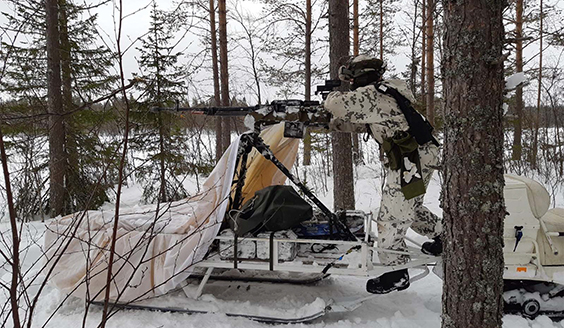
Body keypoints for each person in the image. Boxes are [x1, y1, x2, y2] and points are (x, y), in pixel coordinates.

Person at [323, 54, 443, 294]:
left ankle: (396, 273)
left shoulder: (374, 94)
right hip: (416, 156)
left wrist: (331, 95)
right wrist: (331, 124)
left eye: (351, 78)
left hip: (411, 160)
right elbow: (366, 123)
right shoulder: (385, 93)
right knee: (408, 207)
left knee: (390, 218)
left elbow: (336, 105)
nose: (350, 83)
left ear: (360, 76)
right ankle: (444, 237)